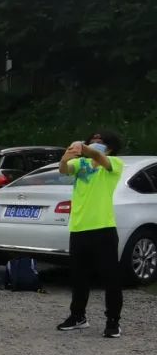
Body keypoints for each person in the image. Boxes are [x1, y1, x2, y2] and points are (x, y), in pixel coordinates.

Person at [56, 131, 125, 338]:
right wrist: (66, 156)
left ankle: (113, 321)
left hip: (103, 227)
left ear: (110, 147)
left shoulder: (113, 164)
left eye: (100, 142)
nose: (95, 144)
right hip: (79, 228)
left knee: (110, 277)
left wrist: (85, 149)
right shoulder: (81, 165)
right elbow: (64, 170)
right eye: (92, 141)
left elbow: (100, 158)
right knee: (78, 277)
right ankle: (78, 316)